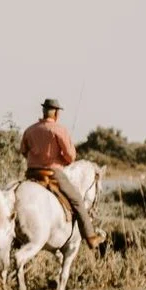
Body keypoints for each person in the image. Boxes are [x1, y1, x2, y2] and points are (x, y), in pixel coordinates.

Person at [18, 98, 99, 245]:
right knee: (78, 201)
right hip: (53, 174)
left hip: (31, 174)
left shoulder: (29, 130)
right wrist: (61, 160)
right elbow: (71, 157)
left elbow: (23, 151)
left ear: (43, 111)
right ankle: (90, 236)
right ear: (56, 113)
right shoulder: (60, 130)